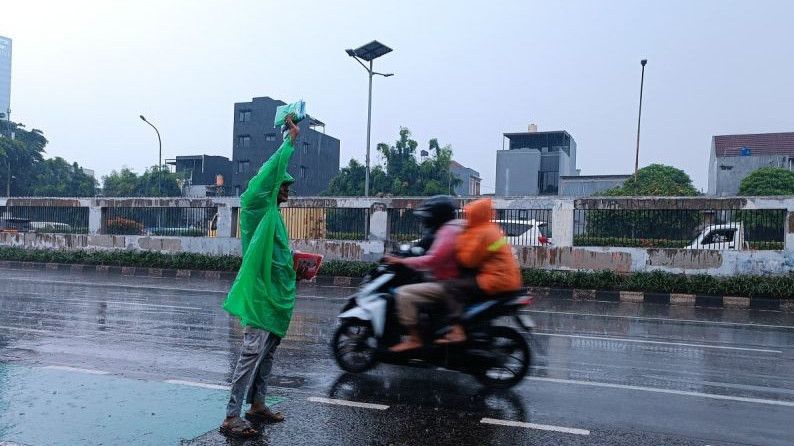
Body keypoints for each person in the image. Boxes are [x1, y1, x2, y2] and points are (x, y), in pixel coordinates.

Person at [219, 116, 305, 439]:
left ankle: (257, 404)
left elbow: (279, 257)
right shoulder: (255, 206)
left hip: (276, 299)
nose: (287, 192)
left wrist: (297, 267)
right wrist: (289, 142)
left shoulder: (275, 219)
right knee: (250, 354)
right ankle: (231, 415)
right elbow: (268, 174)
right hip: (261, 298)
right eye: (284, 186)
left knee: (267, 353)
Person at [384, 196, 464, 352]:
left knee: (404, 293)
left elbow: (431, 260)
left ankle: (415, 339)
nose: (425, 220)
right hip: (451, 280)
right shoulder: (455, 227)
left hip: (448, 283)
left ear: (436, 216)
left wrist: (401, 261)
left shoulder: (446, 232)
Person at [445, 198, 522, 313]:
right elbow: (488, 254)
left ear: (475, 214)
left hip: (495, 280)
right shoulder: (493, 229)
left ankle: (456, 326)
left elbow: (469, 261)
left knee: (451, 287)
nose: (466, 218)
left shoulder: (483, 233)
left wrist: (458, 247)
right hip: (510, 278)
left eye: (468, 215)